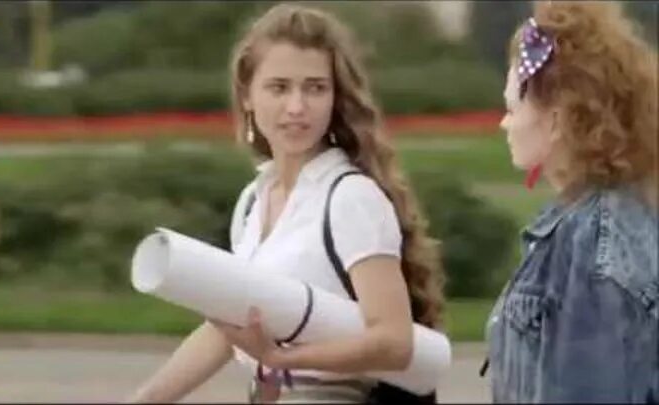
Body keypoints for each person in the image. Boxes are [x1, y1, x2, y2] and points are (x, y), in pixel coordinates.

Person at [128, 3, 446, 404]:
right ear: (247, 95)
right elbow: (228, 327)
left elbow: (394, 342)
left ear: (335, 97)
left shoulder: (350, 197)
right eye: (279, 88)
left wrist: (283, 358)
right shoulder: (253, 200)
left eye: (315, 88)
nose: (297, 107)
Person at [485, 1, 658, 402]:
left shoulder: (592, 240)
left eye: (512, 107)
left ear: (558, 120)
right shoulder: (597, 217)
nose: (504, 123)